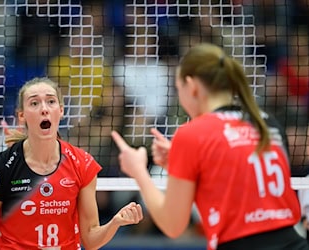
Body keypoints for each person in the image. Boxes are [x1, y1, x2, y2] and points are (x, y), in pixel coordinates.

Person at [111, 43, 309, 250]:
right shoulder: (268, 123)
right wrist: (182, 165)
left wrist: (139, 172)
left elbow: (172, 225)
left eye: (179, 89)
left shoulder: (193, 133)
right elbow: (238, 188)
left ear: (192, 86)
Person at [0, 77, 143, 250]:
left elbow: (91, 239)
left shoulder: (82, 163)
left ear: (60, 110)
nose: (44, 108)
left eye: (51, 101)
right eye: (34, 103)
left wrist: (115, 223)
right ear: (22, 116)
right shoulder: (1, 167)